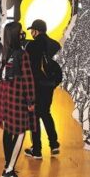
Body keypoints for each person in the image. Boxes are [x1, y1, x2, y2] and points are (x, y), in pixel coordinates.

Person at [0, 22, 36, 177]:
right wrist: (31, 100)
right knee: (20, 133)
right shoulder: (22, 54)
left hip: (4, 97)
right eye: (20, 32)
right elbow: (28, 79)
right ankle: (9, 171)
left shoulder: (2, 52)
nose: (22, 34)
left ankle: (8, 164)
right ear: (15, 35)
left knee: (8, 131)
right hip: (18, 99)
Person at [24, 19, 61, 159]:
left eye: (32, 30)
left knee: (34, 116)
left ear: (36, 31)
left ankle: (37, 150)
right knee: (46, 113)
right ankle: (54, 144)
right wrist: (53, 83)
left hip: (36, 86)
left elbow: (28, 69)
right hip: (49, 85)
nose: (31, 33)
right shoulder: (55, 45)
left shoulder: (31, 46)